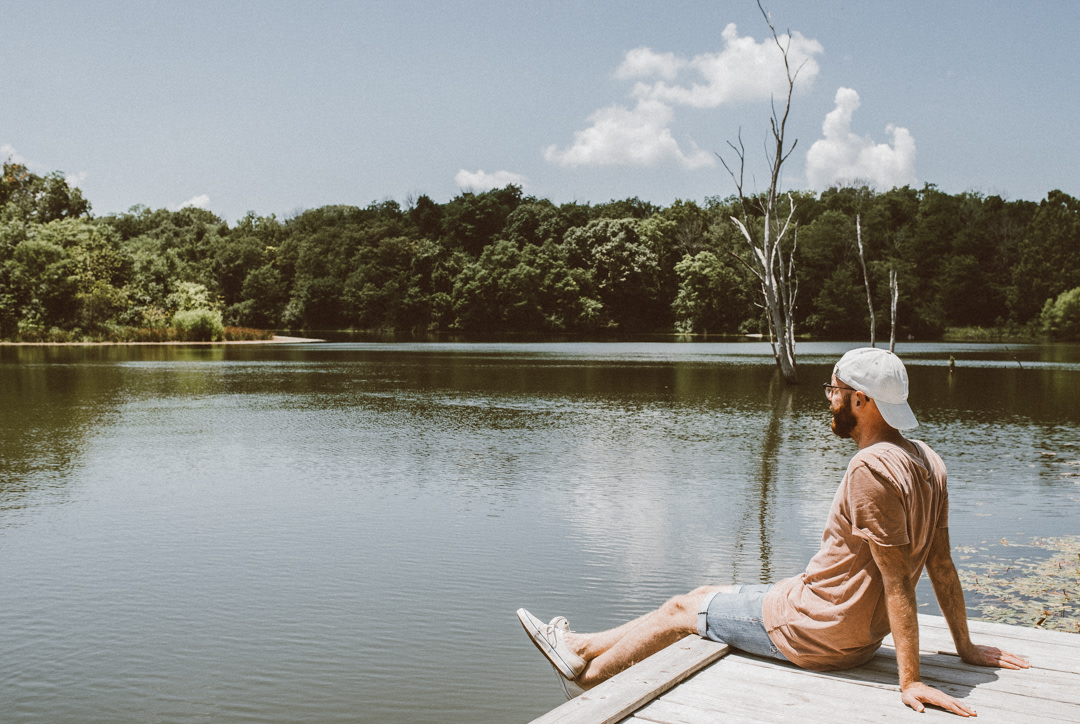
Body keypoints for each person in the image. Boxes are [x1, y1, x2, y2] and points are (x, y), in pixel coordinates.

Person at [518, 347, 1030, 716]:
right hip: (843, 623)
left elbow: (898, 581)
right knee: (703, 593)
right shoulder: (929, 461)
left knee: (681, 610)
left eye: (835, 391)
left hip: (819, 631)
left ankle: (588, 681)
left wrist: (910, 681)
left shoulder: (870, 468)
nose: (829, 400)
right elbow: (940, 564)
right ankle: (580, 646)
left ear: (862, 401)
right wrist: (965, 648)